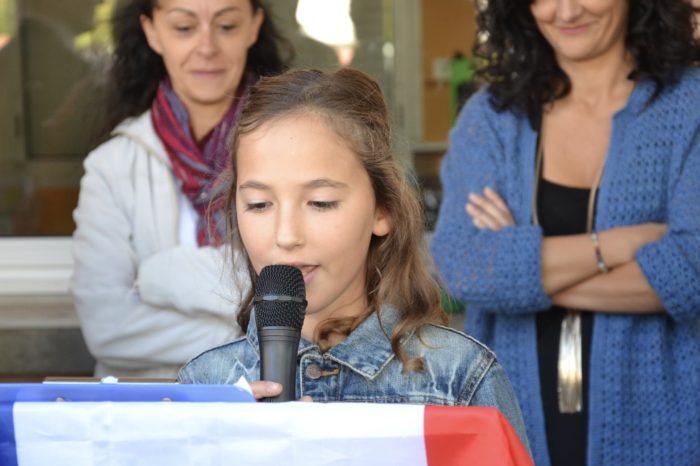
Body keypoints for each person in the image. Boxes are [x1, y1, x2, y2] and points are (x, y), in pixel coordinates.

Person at [177, 68, 531, 450]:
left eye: (321, 203)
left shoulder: (460, 379)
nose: (285, 235)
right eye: (259, 204)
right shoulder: (205, 386)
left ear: (383, 209)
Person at [431, 1, 700, 465]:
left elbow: (691, 269)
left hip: (666, 423)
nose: (566, 10)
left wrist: (516, 264)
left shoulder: (690, 107)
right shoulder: (492, 118)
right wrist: (620, 244)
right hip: (511, 421)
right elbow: (462, 264)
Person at [72, 0, 292, 378]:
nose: (206, 47)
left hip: (269, 410)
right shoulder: (110, 167)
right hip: (149, 416)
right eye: (183, 28)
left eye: (226, 26)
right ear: (152, 31)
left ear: (254, 27)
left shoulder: (299, 148)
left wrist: (161, 275)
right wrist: (256, 334)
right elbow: (108, 328)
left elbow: (313, 290)